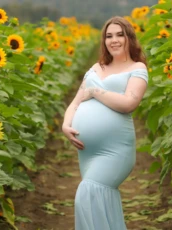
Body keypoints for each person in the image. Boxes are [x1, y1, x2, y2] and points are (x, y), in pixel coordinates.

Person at [62, 16, 148, 230]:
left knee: (87, 193)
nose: (114, 40)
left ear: (130, 38)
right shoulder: (96, 67)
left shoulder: (137, 68)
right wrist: (66, 124)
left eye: (120, 34)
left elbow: (129, 103)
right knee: (99, 202)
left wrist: (95, 92)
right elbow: (75, 102)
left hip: (115, 150)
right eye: (109, 36)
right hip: (88, 152)